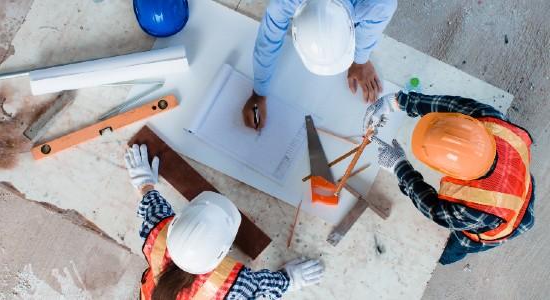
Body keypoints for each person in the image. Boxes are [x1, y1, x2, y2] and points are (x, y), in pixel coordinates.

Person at [124, 144, 325, 299]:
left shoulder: (156, 236)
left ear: (174, 225)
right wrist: (289, 279)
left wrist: (144, 182)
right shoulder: (228, 286)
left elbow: (153, 208)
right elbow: (258, 289)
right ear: (223, 253)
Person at [363, 92, 535, 265]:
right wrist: (396, 102)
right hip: (521, 183)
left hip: (505, 224)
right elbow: (452, 105)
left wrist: (399, 167)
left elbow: (432, 208)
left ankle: (444, 258)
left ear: (448, 171)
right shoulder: (489, 120)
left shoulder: (471, 208)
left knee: (454, 247)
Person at [243, 0, 397, 130]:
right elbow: (267, 42)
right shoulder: (284, 3)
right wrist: (259, 93)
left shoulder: (380, 4)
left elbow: (381, 12)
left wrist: (360, 59)